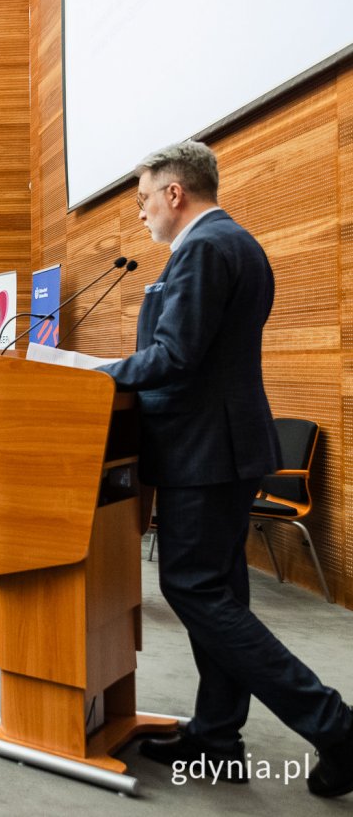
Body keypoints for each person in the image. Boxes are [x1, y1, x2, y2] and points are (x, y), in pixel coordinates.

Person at [96, 141, 353, 796]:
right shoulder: (235, 243)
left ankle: (337, 727)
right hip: (221, 450)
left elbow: (175, 356)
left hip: (203, 452)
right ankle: (217, 738)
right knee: (219, 593)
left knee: (197, 592)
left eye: (144, 199)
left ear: (175, 193)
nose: (143, 213)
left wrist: (98, 374)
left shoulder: (208, 248)